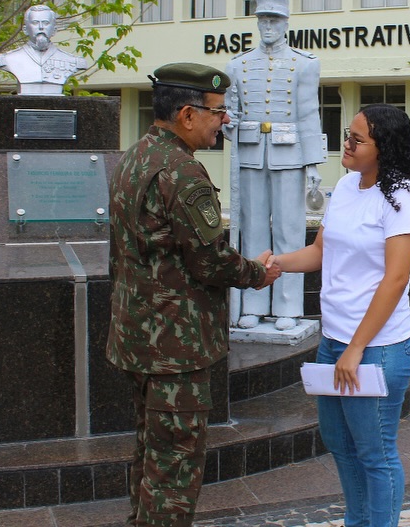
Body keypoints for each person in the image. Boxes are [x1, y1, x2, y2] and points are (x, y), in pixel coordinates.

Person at [106, 62, 281, 527]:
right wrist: (258, 274)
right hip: (175, 348)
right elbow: (211, 260)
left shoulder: (135, 156)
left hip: (138, 338)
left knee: (150, 455)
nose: (224, 121)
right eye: (218, 112)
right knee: (176, 467)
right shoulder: (183, 172)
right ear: (187, 114)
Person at [266, 103, 410, 527]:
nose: (347, 144)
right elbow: (321, 251)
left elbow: (395, 280)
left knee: (376, 455)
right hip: (335, 342)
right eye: (347, 134)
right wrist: (273, 264)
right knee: (340, 445)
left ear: (385, 147)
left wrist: (356, 348)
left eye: (357, 140)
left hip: (377, 347)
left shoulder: (403, 198)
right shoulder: (344, 187)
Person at [224, 0, 325, 331]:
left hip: (289, 152)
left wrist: (313, 163)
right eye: (263, 20)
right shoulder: (237, 65)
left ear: (286, 24)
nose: (268, 27)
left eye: (275, 21)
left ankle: (288, 307)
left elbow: (310, 113)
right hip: (251, 153)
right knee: (252, 230)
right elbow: (229, 115)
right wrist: (229, 125)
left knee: (289, 232)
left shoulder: (304, 63)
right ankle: (252, 301)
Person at [0, 4, 88, 95]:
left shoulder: (73, 61)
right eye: (35, 23)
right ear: (25, 29)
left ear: (54, 30)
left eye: (46, 23)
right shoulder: (7, 59)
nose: (41, 27)